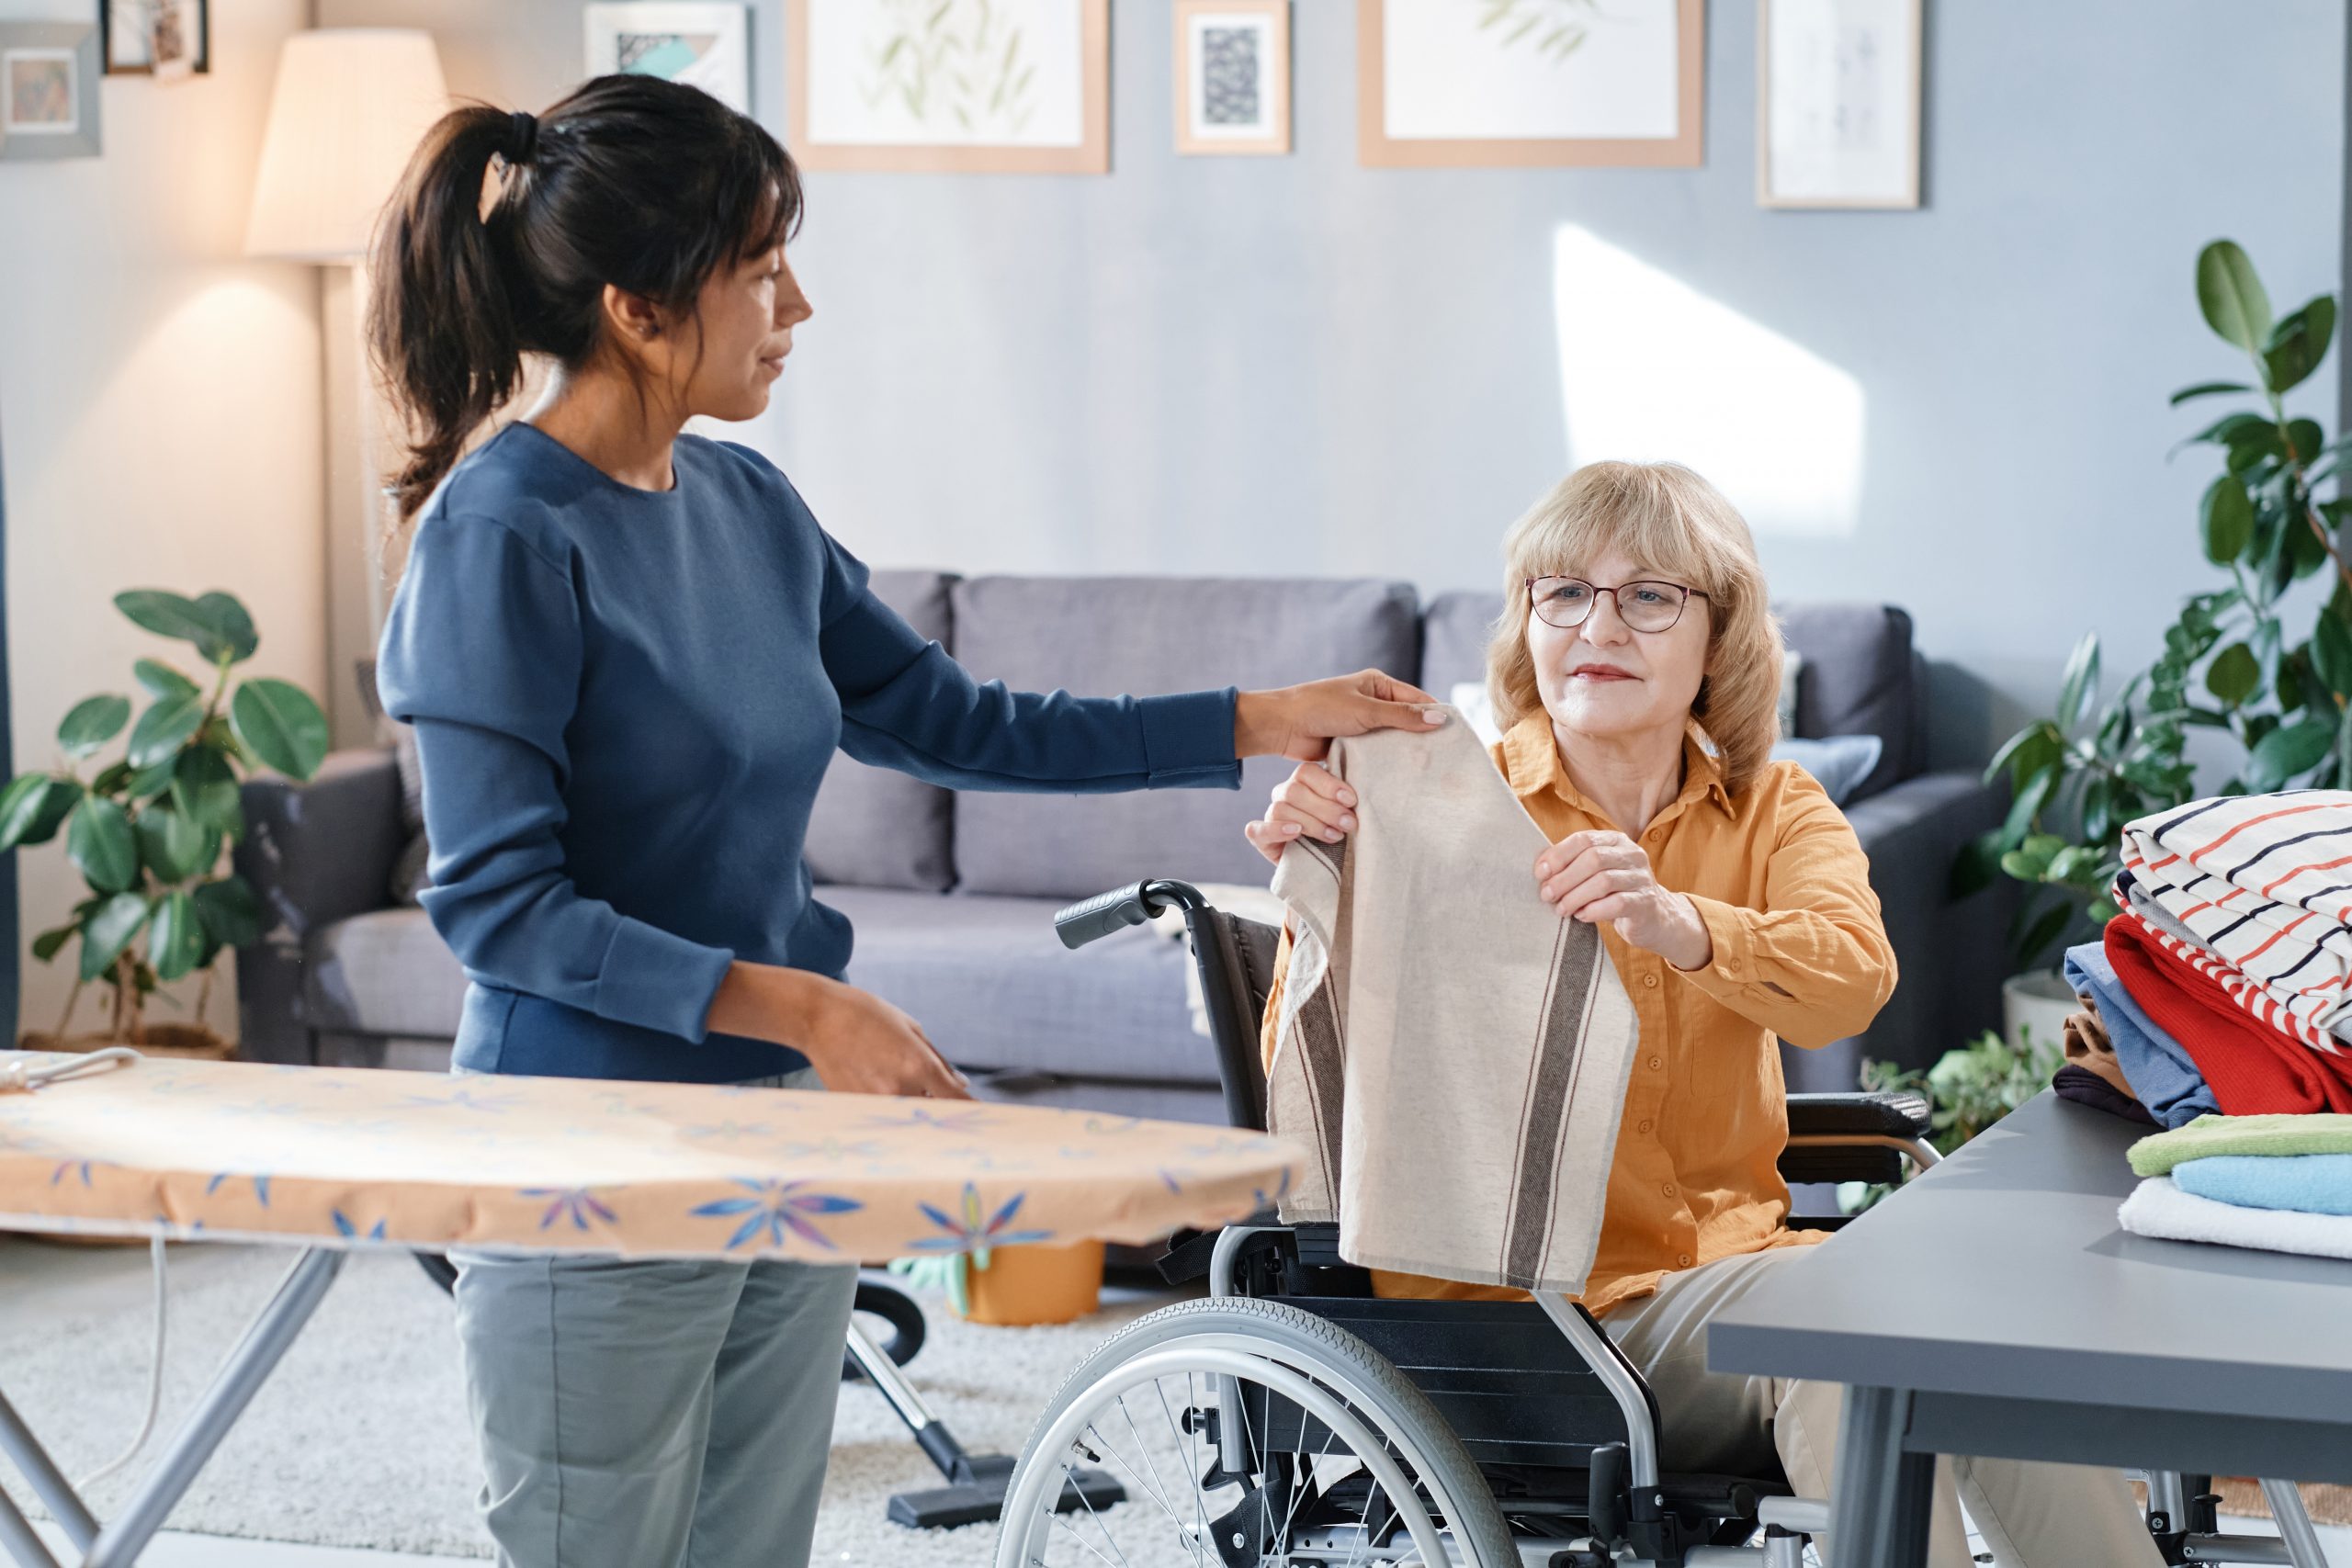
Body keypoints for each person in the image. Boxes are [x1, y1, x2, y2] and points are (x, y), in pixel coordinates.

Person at [366, 75, 1444, 1568]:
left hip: (788, 1137)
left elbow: (957, 721)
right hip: (591, 1148)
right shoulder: (497, 539)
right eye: (758, 269)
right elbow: (495, 905)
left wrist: (1253, 716)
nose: (795, 304)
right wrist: (803, 1003)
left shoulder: (743, 504)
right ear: (638, 306)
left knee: (752, 1541)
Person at [1247, 460, 2165, 1568]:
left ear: (1715, 637)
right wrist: (1319, 892)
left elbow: (1854, 979)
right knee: (1851, 1328)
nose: (1599, 625)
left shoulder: (1779, 811)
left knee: (1958, 1334)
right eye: (1563, 592)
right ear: (1527, 621)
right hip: (1525, 1327)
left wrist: (1682, 924)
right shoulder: (1441, 815)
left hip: (1735, 1288)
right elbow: (1318, 1082)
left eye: (1647, 596)